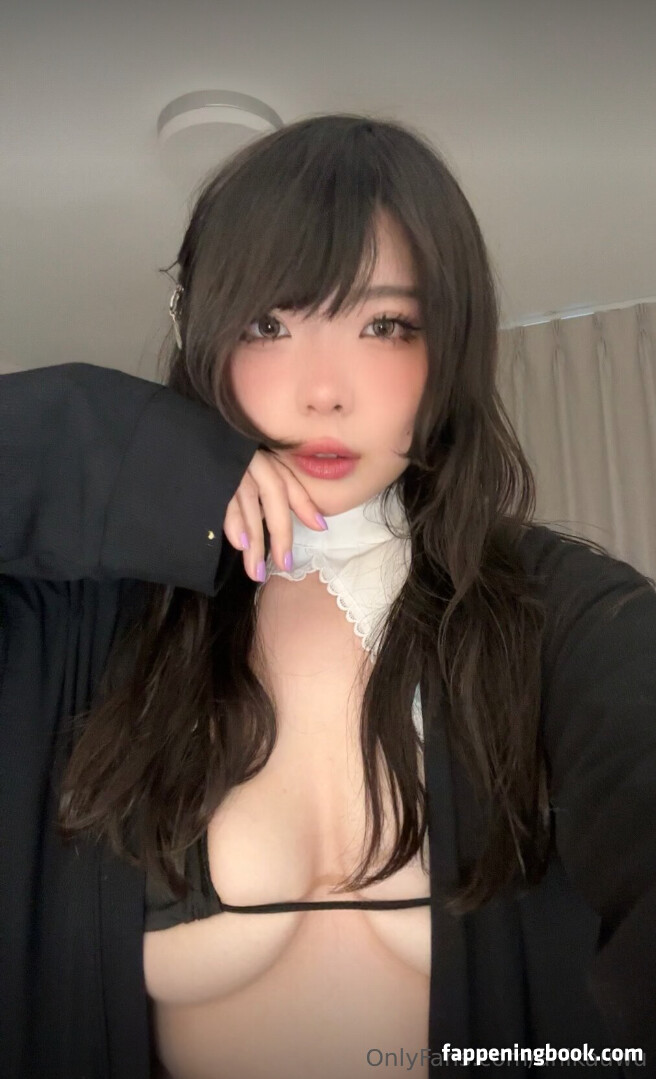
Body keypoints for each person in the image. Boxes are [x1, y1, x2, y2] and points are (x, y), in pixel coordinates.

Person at [1, 113, 654, 1079]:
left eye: (385, 325)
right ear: (202, 334)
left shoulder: (556, 613)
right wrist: (118, 444)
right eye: (269, 324)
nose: (323, 391)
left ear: (449, 346)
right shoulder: (87, 623)